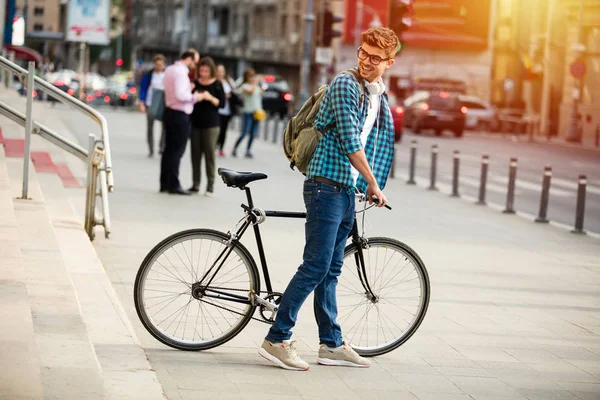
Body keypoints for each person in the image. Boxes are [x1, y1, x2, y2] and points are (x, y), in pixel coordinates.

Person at [258, 27, 398, 371]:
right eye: (363, 53)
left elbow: (372, 139)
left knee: (331, 270)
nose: (366, 61)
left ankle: (331, 344)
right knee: (316, 265)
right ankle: (277, 338)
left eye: (375, 57)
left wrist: (364, 184)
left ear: (389, 62)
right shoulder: (345, 84)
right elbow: (351, 141)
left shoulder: (374, 94)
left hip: (344, 189)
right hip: (325, 186)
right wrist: (374, 183)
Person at [160, 50, 203, 195]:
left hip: (169, 112)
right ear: (189, 59)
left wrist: (187, 89)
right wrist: (194, 97)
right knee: (177, 151)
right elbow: (180, 94)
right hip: (180, 114)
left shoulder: (170, 69)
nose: (194, 65)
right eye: (195, 62)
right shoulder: (181, 72)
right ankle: (174, 184)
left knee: (168, 149)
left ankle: (164, 183)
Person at [189, 57, 225, 196]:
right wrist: (192, 92)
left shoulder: (217, 84)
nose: (203, 73)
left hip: (211, 125)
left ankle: (210, 186)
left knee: (209, 155)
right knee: (195, 155)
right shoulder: (195, 83)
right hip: (195, 123)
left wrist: (209, 97)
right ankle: (195, 184)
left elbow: (221, 104)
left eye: (206, 71)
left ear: (211, 71)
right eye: (201, 70)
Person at [138, 54, 167, 157]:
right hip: (150, 103)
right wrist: (141, 102)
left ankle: (162, 146)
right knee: (150, 127)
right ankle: (151, 149)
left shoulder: (166, 75)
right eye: (157, 64)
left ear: (164, 65)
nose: (159, 66)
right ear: (154, 64)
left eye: (161, 64)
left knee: (165, 126)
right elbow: (143, 89)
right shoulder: (149, 75)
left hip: (163, 104)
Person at [231, 68, 263, 158]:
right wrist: (255, 83)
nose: (252, 78)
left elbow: (261, 93)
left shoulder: (256, 86)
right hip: (248, 112)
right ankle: (235, 148)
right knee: (244, 132)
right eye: (250, 76)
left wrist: (259, 85)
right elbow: (250, 92)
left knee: (253, 133)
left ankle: (248, 150)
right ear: (246, 77)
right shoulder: (244, 86)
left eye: (253, 76)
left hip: (257, 112)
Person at [216, 64, 236, 157]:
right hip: (217, 110)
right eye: (219, 71)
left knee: (224, 130)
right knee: (217, 129)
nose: (221, 73)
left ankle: (221, 148)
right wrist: (223, 96)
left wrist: (230, 94)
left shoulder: (228, 81)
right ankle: (214, 146)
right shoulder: (215, 81)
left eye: (222, 71)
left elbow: (234, 91)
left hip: (227, 110)